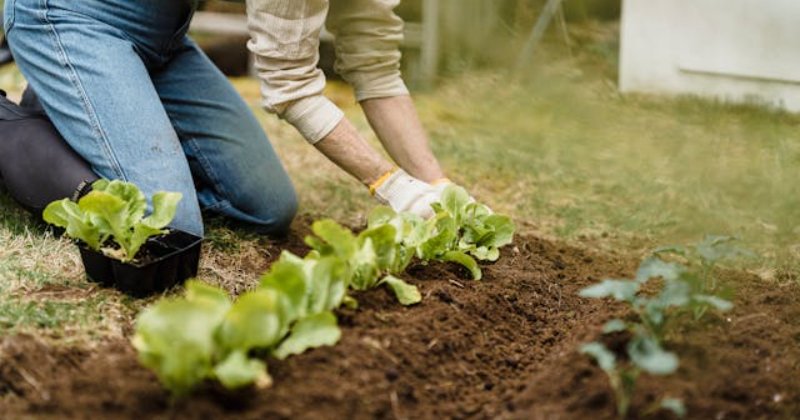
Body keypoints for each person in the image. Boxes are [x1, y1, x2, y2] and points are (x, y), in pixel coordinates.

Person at [3, 0, 463, 238]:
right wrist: (391, 184)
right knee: (167, 229)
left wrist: (438, 185)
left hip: (161, 37)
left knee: (265, 208)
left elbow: (376, 65)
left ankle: (73, 98)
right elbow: (292, 86)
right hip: (70, 14)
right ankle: (18, 119)